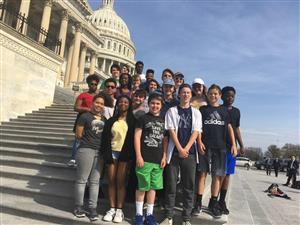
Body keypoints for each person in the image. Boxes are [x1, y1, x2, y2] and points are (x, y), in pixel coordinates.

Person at [160, 84, 202, 225]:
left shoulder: (196, 112)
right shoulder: (172, 111)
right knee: (171, 185)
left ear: (191, 95)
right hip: (174, 153)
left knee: (189, 186)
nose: (185, 95)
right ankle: (169, 216)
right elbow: (171, 131)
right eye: (183, 92)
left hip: (189, 154)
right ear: (179, 94)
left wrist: (186, 148)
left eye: (188, 92)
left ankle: (186, 218)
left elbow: (196, 132)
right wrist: (179, 148)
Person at [195, 84, 237, 218]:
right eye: (211, 93)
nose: (213, 96)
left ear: (219, 96)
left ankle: (213, 202)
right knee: (202, 174)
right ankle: (198, 202)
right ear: (207, 95)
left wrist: (234, 145)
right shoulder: (203, 109)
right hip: (205, 146)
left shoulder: (225, 111)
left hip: (221, 147)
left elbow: (230, 127)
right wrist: (199, 141)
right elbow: (198, 127)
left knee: (217, 176)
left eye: (216, 94)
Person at [101, 95, 135, 223]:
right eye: (120, 102)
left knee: (121, 182)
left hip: (125, 155)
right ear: (117, 104)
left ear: (129, 104)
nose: (123, 104)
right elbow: (106, 139)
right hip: (112, 153)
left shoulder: (132, 121)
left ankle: (119, 210)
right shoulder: (111, 121)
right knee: (111, 180)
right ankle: (112, 208)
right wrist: (107, 154)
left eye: (126, 102)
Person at [134, 93, 166, 225]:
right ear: (149, 104)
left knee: (153, 188)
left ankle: (150, 214)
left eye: (158, 104)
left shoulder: (164, 121)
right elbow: (136, 137)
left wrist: (164, 156)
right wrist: (138, 156)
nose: (155, 106)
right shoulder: (143, 118)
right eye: (153, 103)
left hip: (158, 160)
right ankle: (139, 214)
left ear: (161, 106)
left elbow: (165, 140)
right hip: (144, 158)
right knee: (142, 187)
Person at [73, 93, 106, 221]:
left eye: (102, 104)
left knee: (95, 181)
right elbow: (78, 134)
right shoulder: (84, 116)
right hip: (86, 150)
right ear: (92, 103)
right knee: (82, 180)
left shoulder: (104, 119)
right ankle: (79, 206)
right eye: (97, 102)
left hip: (99, 152)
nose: (99, 105)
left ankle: (92, 208)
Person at [217, 86, 245, 215]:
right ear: (222, 96)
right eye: (227, 95)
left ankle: (222, 201)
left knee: (228, 174)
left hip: (231, 147)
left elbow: (237, 128)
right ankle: (215, 200)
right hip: (220, 146)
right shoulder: (219, 109)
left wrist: (241, 144)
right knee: (220, 174)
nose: (230, 98)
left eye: (232, 96)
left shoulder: (237, 111)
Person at [68, 74, 100, 167]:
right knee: (78, 139)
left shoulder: (98, 96)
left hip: (93, 120)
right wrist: (87, 109)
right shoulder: (83, 95)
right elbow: (76, 107)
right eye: (91, 84)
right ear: (88, 84)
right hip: (82, 119)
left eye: (95, 84)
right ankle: (73, 158)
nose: (93, 86)